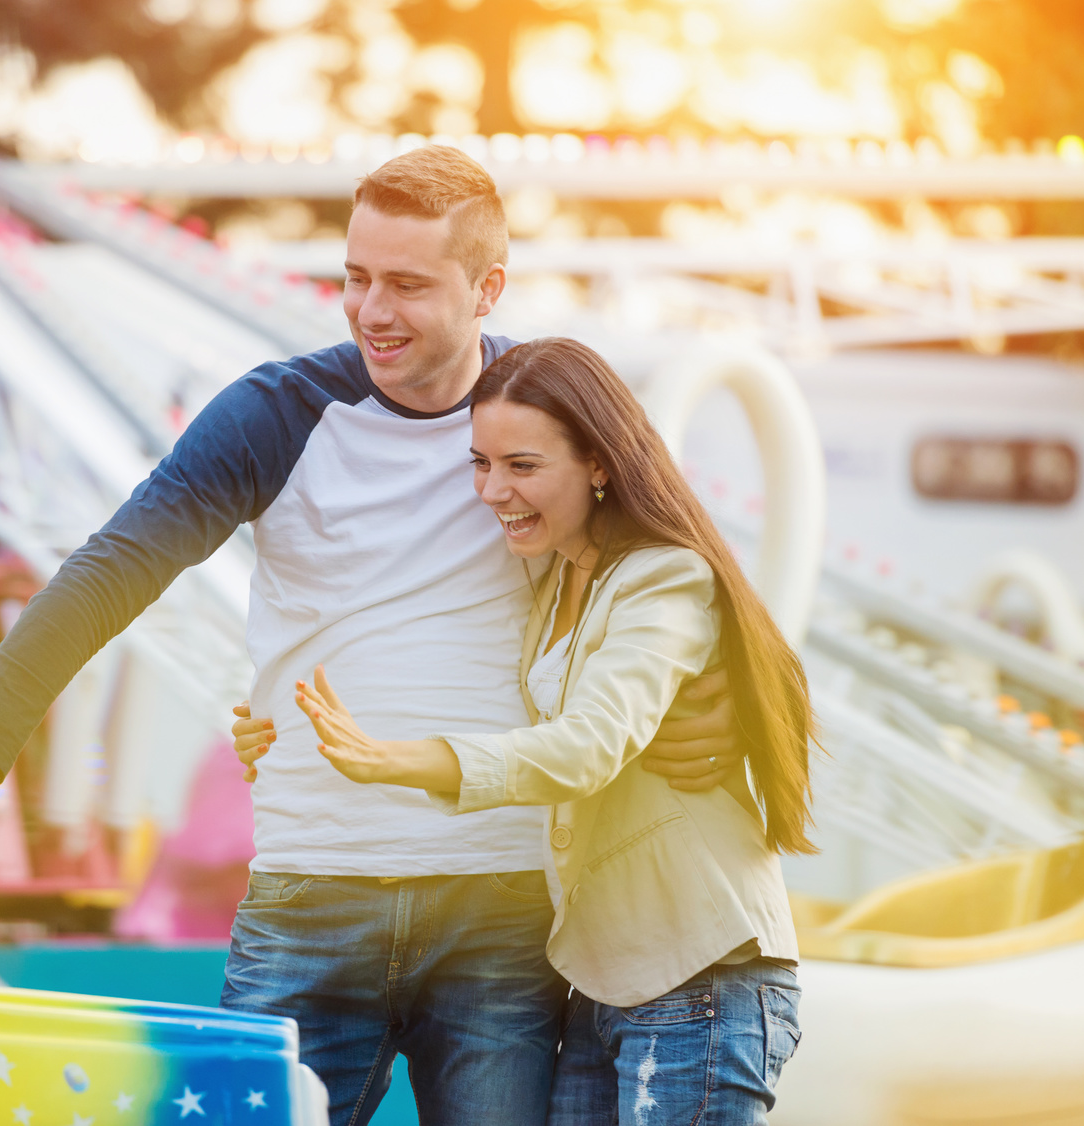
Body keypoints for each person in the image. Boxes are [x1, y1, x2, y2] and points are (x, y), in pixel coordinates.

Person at [0, 145, 746, 1124]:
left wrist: (721, 707)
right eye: (355, 278)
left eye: (408, 284)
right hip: (310, 897)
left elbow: (680, 577)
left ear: (486, 288)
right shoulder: (277, 415)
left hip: (502, 910)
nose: (372, 309)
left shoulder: (546, 423)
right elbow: (115, 566)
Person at [277, 337, 813, 1123]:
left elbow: (588, 745)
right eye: (479, 463)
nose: (491, 490)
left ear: (599, 463)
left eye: (521, 466)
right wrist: (269, 715)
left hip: (697, 973)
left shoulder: (662, 576)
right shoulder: (555, 571)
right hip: (603, 979)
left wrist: (395, 761)